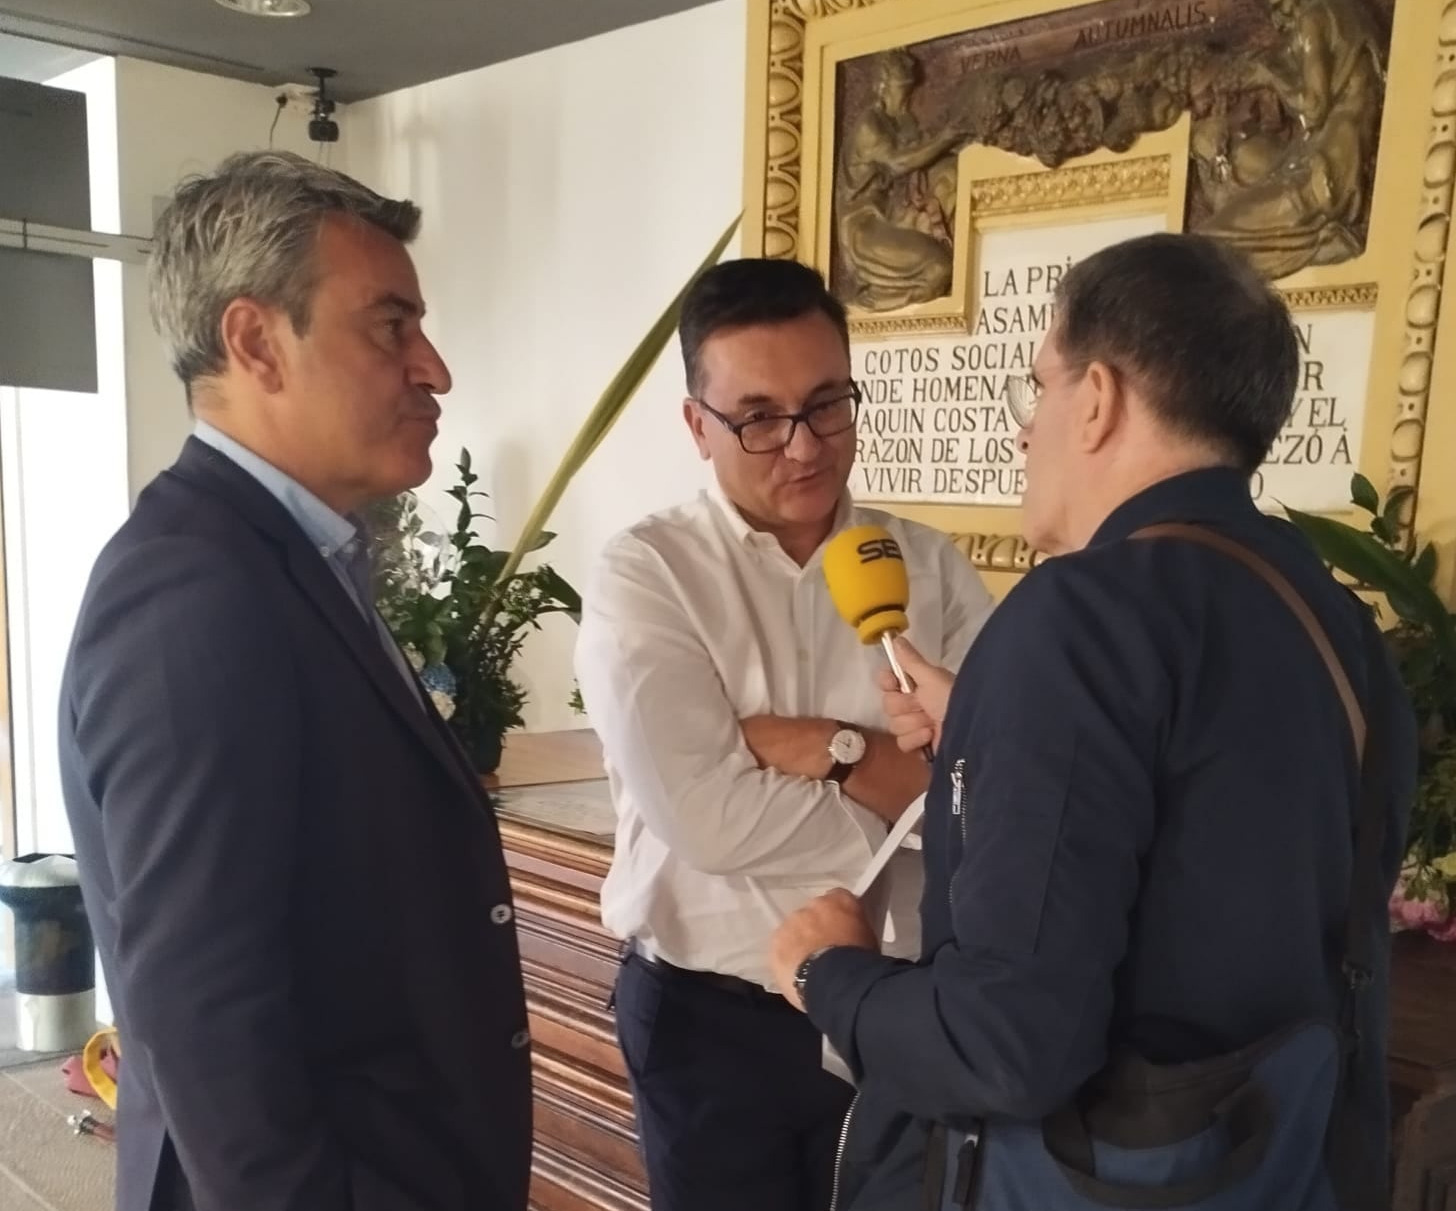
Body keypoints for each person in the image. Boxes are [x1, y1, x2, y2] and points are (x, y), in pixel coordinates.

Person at [770, 233, 1417, 1210]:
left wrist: (828, 973)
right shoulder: (1334, 621)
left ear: (1100, 398)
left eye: (1038, 387)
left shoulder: (1076, 618)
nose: (1025, 433)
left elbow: (1006, 1043)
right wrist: (988, 721)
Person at [58, 151, 532, 1211]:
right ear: (255, 340)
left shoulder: (296, 557)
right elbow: (203, 1013)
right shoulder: (194, 592)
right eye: (391, 327)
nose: (435, 368)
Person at [574, 257, 994, 1211]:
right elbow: (708, 821)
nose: (803, 447)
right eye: (758, 417)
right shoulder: (650, 575)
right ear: (697, 425)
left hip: (895, 1015)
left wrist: (828, 751)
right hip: (711, 1025)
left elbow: (985, 804)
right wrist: (898, 786)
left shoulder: (927, 567)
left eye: (827, 404)